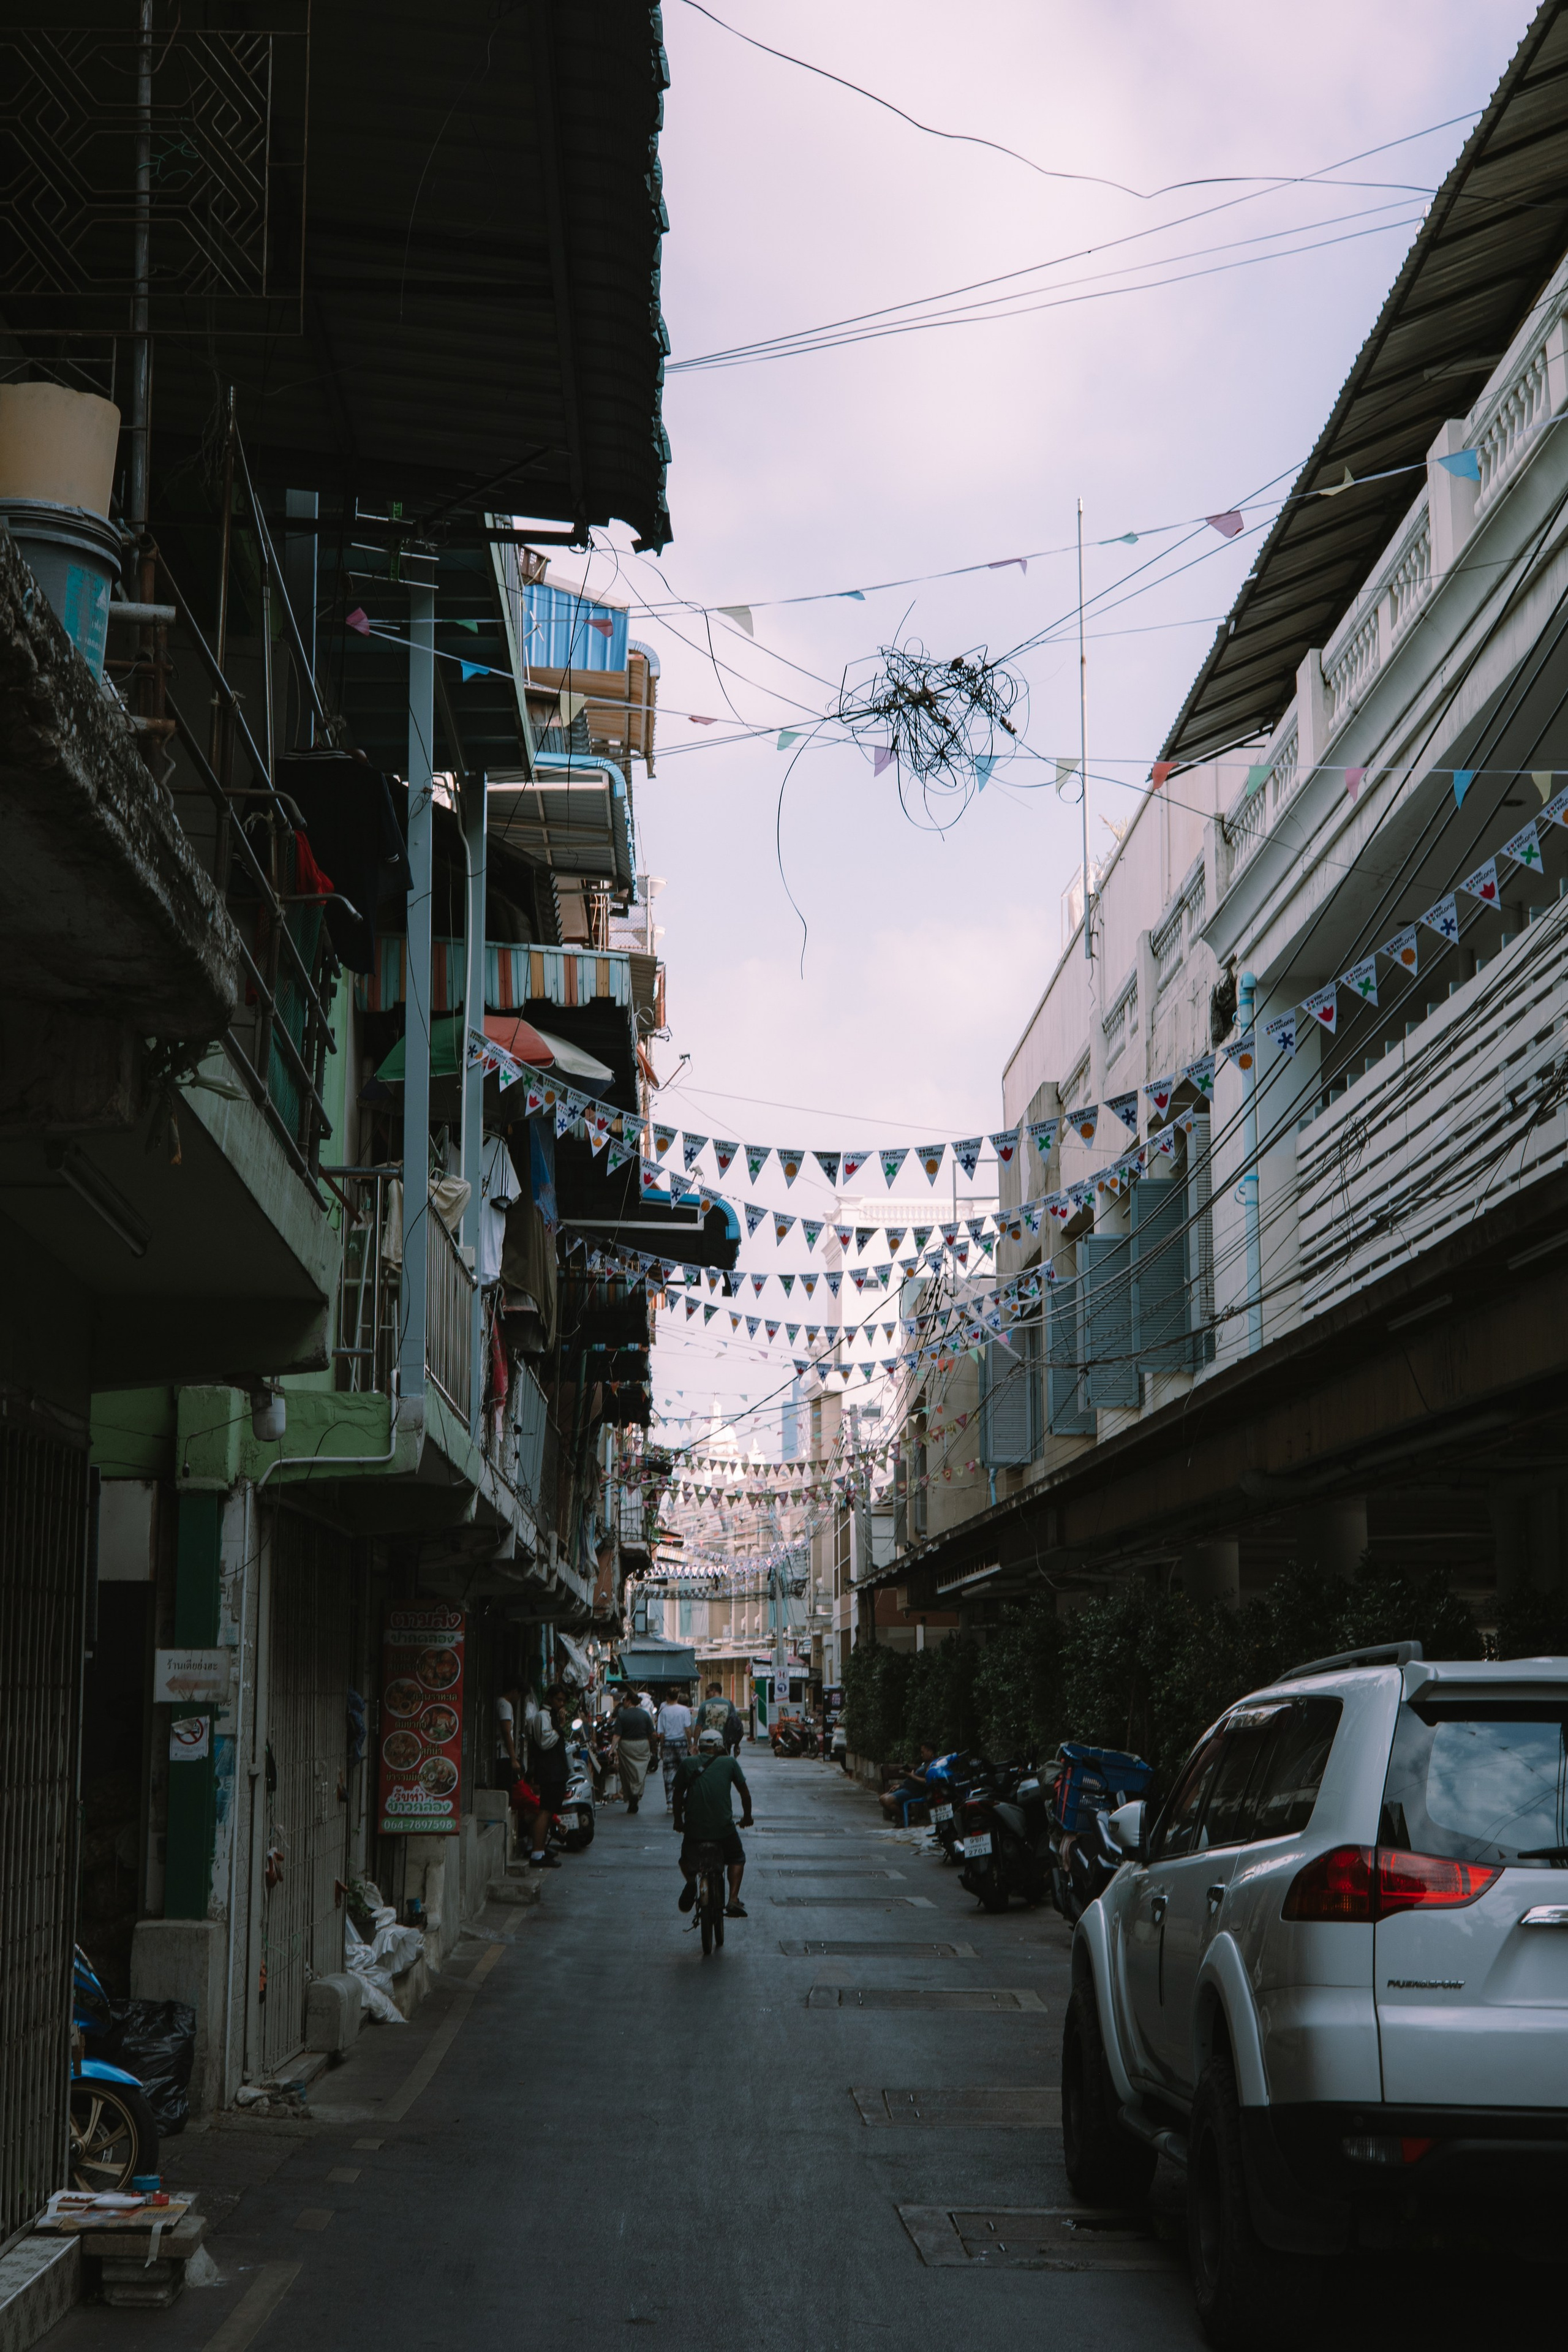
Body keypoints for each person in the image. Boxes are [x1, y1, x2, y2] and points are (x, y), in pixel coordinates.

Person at [673, 1727, 753, 1918]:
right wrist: (747, 1817)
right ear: (720, 1746)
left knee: (686, 1859)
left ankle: (692, 1883)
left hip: (694, 1829)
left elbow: (676, 1796)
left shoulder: (688, 1763)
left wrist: (678, 1821)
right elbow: (745, 1794)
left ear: (700, 1746)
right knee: (737, 1857)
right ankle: (733, 1899)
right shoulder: (730, 1763)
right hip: (724, 1829)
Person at [523, 1685, 568, 1867]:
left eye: (563, 1700)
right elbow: (545, 1743)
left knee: (550, 1811)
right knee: (545, 1811)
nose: (561, 1704)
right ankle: (536, 1854)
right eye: (558, 1700)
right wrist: (560, 1728)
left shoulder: (552, 1716)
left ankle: (540, 1850)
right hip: (549, 1771)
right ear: (550, 1698)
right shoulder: (543, 1716)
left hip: (555, 1771)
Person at [612, 1686, 656, 1813]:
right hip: (642, 1746)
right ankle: (637, 1793)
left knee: (627, 1774)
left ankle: (631, 1795)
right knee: (640, 1773)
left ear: (628, 1701)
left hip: (626, 1746)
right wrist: (654, 1746)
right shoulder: (645, 1715)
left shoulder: (622, 1715)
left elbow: (617, 1736)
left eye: (624, 1700)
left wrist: (612, 1749)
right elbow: (652, 1734)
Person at [879, 1740, 938, 1820]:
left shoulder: (932, 1765)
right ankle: (905, 1817)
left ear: (930, 1752)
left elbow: (927, 1781)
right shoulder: (924, 1764)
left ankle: (905, 1818)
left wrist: (912, 1776)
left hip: (913, 1791)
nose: (921, 1755)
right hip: (907, 1787)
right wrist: (900, 1786)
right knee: (882, 1799)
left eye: (923, 1752)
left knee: (887, 1801)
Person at [655, 1686, 693, 1808]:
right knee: (684, 1771)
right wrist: (690, 1744)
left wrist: (661, 1747)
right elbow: (687, 1729)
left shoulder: (664, 1712)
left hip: (668, 1744)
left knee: (668, 1772)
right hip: (681, 1743)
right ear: (677, 1697)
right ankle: (684, 1798)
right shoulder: (684, 1710)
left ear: (667, 1697)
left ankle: (670, 1802)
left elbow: (661, 1733)